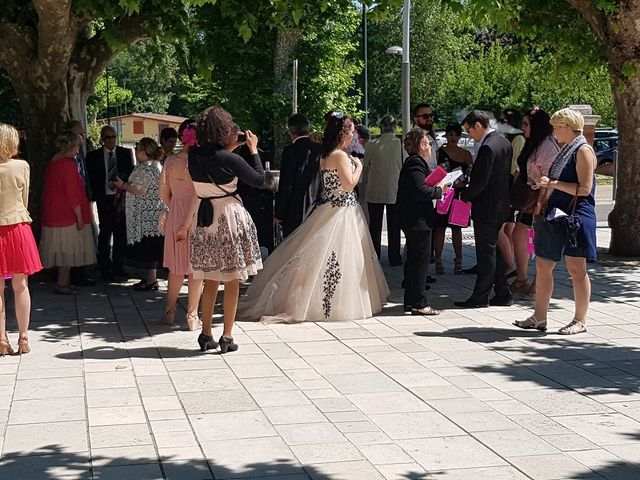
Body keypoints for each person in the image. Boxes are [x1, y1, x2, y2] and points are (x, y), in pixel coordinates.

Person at [238, 112, 389, 323]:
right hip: (341, 211)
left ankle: (323, 299)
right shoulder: (339, 155)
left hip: (331, 208)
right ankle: (332, 303)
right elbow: (348, 184)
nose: (353, 136)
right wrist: (359, 167)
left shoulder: (326, 154)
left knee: (325, 256)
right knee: (338, 256)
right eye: (352, 132)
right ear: (343, 134)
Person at [183, 106, 269, 354]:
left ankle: (206, 333)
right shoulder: (231, 159)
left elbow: (214, 161)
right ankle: (227, 336)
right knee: (232, 280)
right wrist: (252, 149)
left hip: (204, 219)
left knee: (210, 278)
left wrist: (231, 149)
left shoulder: (194, 157)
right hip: (228, 219)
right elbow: (260, 180)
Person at [515, 108, 597, 335]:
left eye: (555, 127)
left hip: (576, 216)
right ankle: (539, 317)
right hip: (555, 213)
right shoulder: (564, 150)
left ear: (566, 127)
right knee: (543, 264)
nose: (553, 131)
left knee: (576, 268)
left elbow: (584, 189)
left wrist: (552, 183)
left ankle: (580, 320)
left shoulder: (582, 150)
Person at [455, 111, 513, 308]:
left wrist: (465, 195)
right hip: (501, 205)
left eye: (469, 130)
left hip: (486, 207)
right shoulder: (504, 142)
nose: (469, 135)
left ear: (478, 125)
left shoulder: (488, 147)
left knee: (486, 254)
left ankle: (480, 296)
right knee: (494, 251)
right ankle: (503, 292)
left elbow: (481, 182)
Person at [396, 128, 448, 315]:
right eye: (427, 143)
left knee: (414, 261)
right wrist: (439, 190)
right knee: (420, 261)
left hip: (414, 218)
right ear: (421, 145)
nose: (430, 147)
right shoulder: (416, 164)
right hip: (417, 219)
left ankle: (411, 301)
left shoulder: (415, 163)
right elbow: (420, 191)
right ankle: (418, 302)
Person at [0, 123, 42, 356]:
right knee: (21, 284)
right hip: (17, 226)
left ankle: (1, 340)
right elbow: (24, 199)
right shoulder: (21, 166)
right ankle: (23, 338)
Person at [510, 108, 559, 297]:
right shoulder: (533, 143)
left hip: (541, 199)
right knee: (519, 233)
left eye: (526, 124)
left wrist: (540, 203)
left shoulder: (547, 146)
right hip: (529, 197)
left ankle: (537, 282)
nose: (523, 128)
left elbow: (548, 177)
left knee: (540, 240)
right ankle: (522, 278)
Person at [40, 131, 96, 295]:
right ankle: (63, 283)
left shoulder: (54, 161)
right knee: (67, 250)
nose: (79, 149)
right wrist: (79, 217)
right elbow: (72, 193)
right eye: (77, 146)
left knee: (63, 249)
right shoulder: (67, 164)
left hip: (54, 211)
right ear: (70, 146)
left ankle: (63, 282)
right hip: (66, 214)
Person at [159, 120, 202, 329]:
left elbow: (163, 191)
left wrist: (174, 205)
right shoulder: (200, 162)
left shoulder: (170, 161)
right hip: (196, 215)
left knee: (176, 268)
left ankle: (169, 311)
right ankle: (192, 315)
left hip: (176, 212)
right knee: (196, 268)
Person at [114, 137, 165, 290]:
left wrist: (122, 185)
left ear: (144, 152)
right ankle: (150, 279)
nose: (135, 152)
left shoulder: (147, 168)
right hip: (151, 214)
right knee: (151, 248)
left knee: (149, 248)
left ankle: (151, 280)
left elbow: (139, 190)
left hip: (147, 216)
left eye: (137, 149)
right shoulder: (155, 165)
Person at [86, 125, 134, 280]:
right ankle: (105, 267)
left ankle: (119, 266)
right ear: (102, 139)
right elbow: (91, 178)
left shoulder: (125, 153)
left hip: (120, 197)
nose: (111, 140)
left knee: (121, 233)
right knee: (105, 232)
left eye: (113, 137)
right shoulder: (93, 156)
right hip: (104, 198)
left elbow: (130, 172)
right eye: (107, 137)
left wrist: (122, 180)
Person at [433, 123, 473, 274]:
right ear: (446, 136)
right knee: (440, 228)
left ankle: (459, 260)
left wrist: (466, 183)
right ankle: (438, 260)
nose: (453, 138)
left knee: (457, 228)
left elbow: (471, 174)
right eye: (450, 134)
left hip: (460, 194)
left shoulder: (466, 154)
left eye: (456, 135)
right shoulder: (439, 153)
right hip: (444, 193)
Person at [363, 115, 403, 265]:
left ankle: (375, 255)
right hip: (395, 188)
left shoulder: (372, 144)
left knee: (375, 225)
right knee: (394, 225)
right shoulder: (400, 143)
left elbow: (366, 167)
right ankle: (394, 256)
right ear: (395, 127)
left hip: (375, 188)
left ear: (381, 127)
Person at [274, 113, 322, 237]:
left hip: (294, 208)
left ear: (291, 131)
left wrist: (279, 212)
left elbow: (286, 183)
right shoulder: (319, 149)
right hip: (317, 206)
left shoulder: (290, 150)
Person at [65, 120, 97, 287]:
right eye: (79, 134)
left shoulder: (81, 152)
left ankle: (83, 273)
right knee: (76, 239)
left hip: (85, 197)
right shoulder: (67, 158)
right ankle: (75, 275)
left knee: (87, 236)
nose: (82, 137)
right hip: (73, 203)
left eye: (83, 134)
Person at [412, 104, 438, 169]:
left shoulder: (429, 137)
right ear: (415, 119)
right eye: (425, 116)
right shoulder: (412, 139)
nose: (429, 119)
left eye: (431, 116)